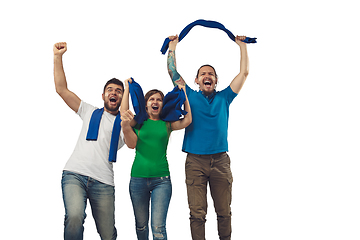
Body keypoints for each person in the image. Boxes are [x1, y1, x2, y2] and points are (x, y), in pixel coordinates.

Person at [166, 35, 249, 240]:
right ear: (197, 80)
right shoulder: (189, 96)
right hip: (195, 161)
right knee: (197, 214)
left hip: (221, 161)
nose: (207, 76)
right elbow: (172, 71)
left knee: (224, 213)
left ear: (216, 80)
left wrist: (242, 46)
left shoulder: (224, 97)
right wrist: (172, 48)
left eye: (211, 74)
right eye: (203, 74)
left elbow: (244, 72)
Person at [53, 42, 127, 240]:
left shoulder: (126, 123)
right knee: (75, 216)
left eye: (119, 91)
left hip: (103, 181)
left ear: (123, 97)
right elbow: (62, 89)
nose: (114, 93)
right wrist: (57, 57)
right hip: (74, 174)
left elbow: (133, 141)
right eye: (110, 90)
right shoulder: (89, 111)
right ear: (103, 95)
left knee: (108, 234)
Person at [120, 78, 192, 240]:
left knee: (158, 228)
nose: (155, 101)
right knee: (141, 226)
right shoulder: (139, 122)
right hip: (138, 179)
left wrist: (184, 93)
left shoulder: (167, 124)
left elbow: (187, 120)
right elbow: (124, 115)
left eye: (159, 99)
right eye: (151, 99)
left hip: (161, 180)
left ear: (162, 104)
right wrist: (126, 88)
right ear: (146, 104)